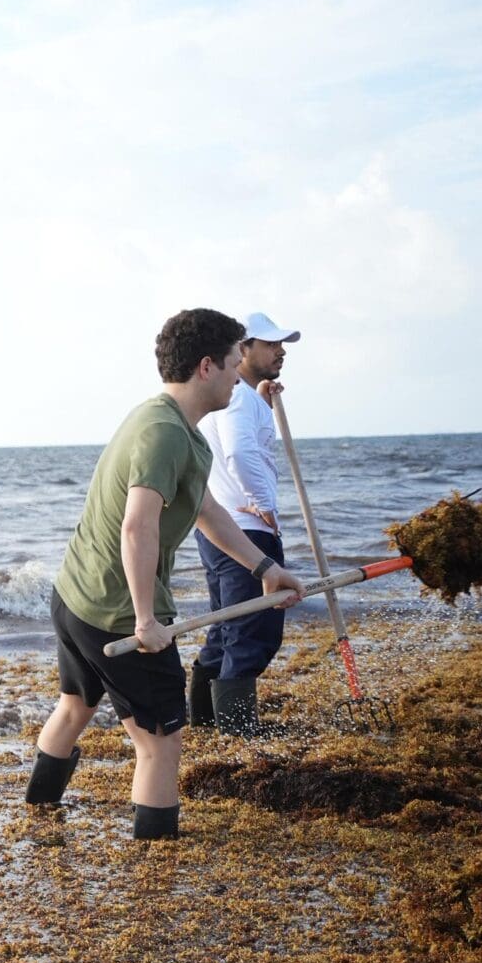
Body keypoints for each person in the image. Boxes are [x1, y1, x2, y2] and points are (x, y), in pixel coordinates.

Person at [26, 308, 307, 838]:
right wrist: (145, 620)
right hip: (114, 611)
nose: (236, 377)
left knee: (75, 707)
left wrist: (266, 568)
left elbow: (206, 511)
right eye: (231, 364)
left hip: (75, 595)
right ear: (207, 367)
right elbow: (137, 528)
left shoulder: (171, 424)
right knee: (160, 741)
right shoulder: (164, 434)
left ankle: (36, 818)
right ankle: (156, 861)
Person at [191, 311, 301, 732]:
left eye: (282, 344)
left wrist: (262, 396)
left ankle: (203, 723)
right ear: (244, 348)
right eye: (272, 344)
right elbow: (238, 451)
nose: (281, 351)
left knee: (226, 624)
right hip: (244, 527)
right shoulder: (239, 397)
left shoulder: (240, 395)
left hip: (220, 526)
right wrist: (264, 504)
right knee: (253, 630)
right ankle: (236, 732)